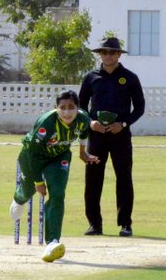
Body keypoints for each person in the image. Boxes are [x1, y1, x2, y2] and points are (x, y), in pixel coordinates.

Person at [10, 90, 92, 263]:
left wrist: (83, 152)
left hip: (59, 157)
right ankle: (19, 198)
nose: (67, 112)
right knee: (28, 189)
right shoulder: (47, 122)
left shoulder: (83, 118)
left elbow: (84, 133)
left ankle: (52, 241)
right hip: (32, 156)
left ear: (78, 108)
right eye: (62, 108)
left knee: (58, 194)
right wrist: (38, 182)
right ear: (56, 108)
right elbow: (33, 153)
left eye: (71, 107)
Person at [78, 36, 145, 237]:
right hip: (96, 135)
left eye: (112, 52)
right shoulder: (91, 77)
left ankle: (125, 224)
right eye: (104, 52)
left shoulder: (129, 77)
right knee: (93, 179)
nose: (108, 56)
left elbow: (140, 107)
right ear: (100, 54)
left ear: (118, 54)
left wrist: (123, 124)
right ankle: (94, 224)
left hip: (120, 136)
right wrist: (90, 123)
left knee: (124, 178)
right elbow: (81, 106)